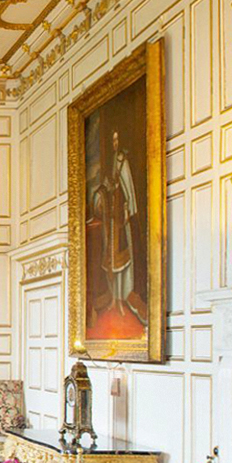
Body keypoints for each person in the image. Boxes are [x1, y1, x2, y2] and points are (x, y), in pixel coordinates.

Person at [88, 129, 144, 325]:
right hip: (113, 222)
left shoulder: (121, 160)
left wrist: (127, 208)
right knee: (111, 263)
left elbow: (127, 189)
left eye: (116, 140)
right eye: (112, 140)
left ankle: (121, 299)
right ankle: (114, 299)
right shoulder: (113, 162)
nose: (114, 143)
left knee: (121, 263)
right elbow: (108, 189)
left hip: (121, 221)